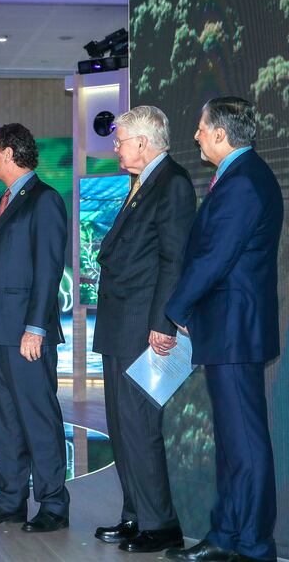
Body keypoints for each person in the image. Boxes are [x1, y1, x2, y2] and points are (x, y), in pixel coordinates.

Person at [164, 97, 282, 562]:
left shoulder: (245, 182)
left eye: (200, 128)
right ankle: (228, 537)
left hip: (235, 331)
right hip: (229, 330)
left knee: (246, 445)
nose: (195, 136)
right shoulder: (241, 176)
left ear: (220, 133)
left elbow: (214, 258)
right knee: (234, 444)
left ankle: (252, 546)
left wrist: (173, 311)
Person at [92, 106, 195, 553]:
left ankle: (160, 524)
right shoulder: (143, 183)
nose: (115, 148)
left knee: (139, 425)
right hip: (121, 323)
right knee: (120, 426)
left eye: (120, 140)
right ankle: (135, 515)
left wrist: (163, 322)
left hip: (142, 324)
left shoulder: (171, 183)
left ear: (142, 142)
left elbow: (174, 257)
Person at [0, 123, 70, 532]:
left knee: (37, 416)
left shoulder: (43, 200)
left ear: (9, 153)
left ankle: (54, 504)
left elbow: (48, 270)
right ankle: (10, 499)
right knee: (4, 417)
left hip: (26, 334)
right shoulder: (1, 203)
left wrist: (36, 328)